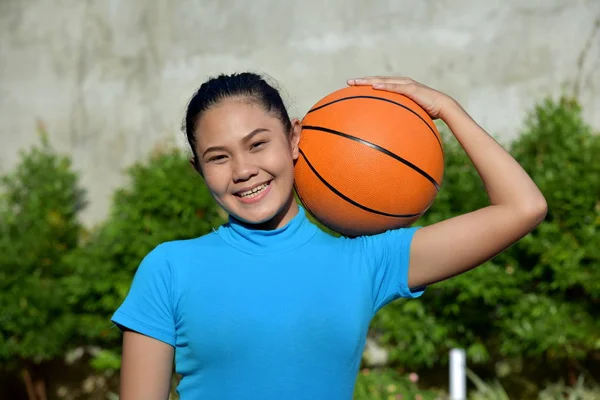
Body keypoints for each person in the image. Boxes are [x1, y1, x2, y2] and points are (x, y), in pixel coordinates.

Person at [111, 72, 547, 400]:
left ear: (294, 137)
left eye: (258, 144)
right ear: (199, 170)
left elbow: (523, 207)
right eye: (218, 157)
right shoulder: (168, 268)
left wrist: (446, 109)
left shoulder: (365, 262)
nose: (243, 170)